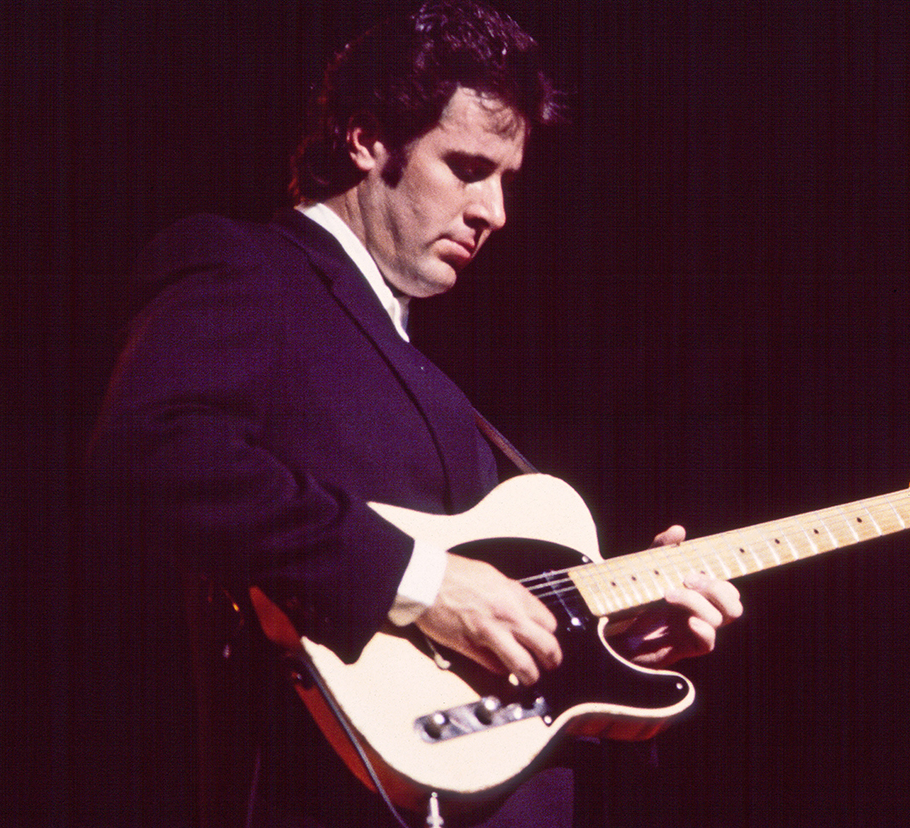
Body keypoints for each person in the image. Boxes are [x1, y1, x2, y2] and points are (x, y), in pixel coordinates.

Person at [84, 2, 741, 826]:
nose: (494, 212)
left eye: (506, 180)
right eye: (467, 167)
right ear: (364, 141)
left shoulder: (427, 376)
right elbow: (152, 449)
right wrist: (419, 582)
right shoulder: (249, 266)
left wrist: (601, 643)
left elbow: (455, 654)